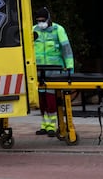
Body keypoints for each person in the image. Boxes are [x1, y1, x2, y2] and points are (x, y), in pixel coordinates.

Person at [33, 7, 74, 137]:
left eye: (43, 20)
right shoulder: (34, 30)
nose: (41, 23)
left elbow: (66, 49)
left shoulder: (58, 30)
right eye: (38, 20)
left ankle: (51, 125)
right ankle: (44, 125)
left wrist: (69, 67)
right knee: (41, 100)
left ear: (48, 19)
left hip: (54, 71)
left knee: (51, 99)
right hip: (39, 70)